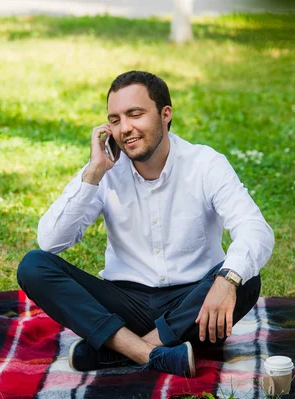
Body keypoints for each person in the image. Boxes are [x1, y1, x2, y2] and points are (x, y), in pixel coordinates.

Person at [17, 71, 274, 378]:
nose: (125, 128)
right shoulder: (105, 170)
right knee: (34, 266)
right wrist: (93, 172)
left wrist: (226, 280)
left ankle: (119, 350)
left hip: (195, 305)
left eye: (135, 114)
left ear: (165, 114)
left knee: (245, 276)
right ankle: (152, 353)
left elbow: (255, 230)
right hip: (125, 303)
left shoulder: (205, 164)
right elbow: (51, 241)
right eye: (115, 120)